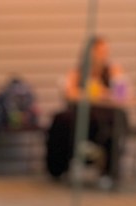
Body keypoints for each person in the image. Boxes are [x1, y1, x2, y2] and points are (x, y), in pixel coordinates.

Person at [46, 36, 129, 187]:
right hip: (83, 114)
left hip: (106, 113)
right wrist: (87, 93)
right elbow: (69, 92)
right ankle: (58, 168)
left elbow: (122, 95)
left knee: (114, 124)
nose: (101, 55)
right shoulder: (77, 73)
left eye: (104, 51)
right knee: (61, 120)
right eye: (98, 51)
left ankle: (108, 172)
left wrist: (103, 92)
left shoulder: (113, 71)